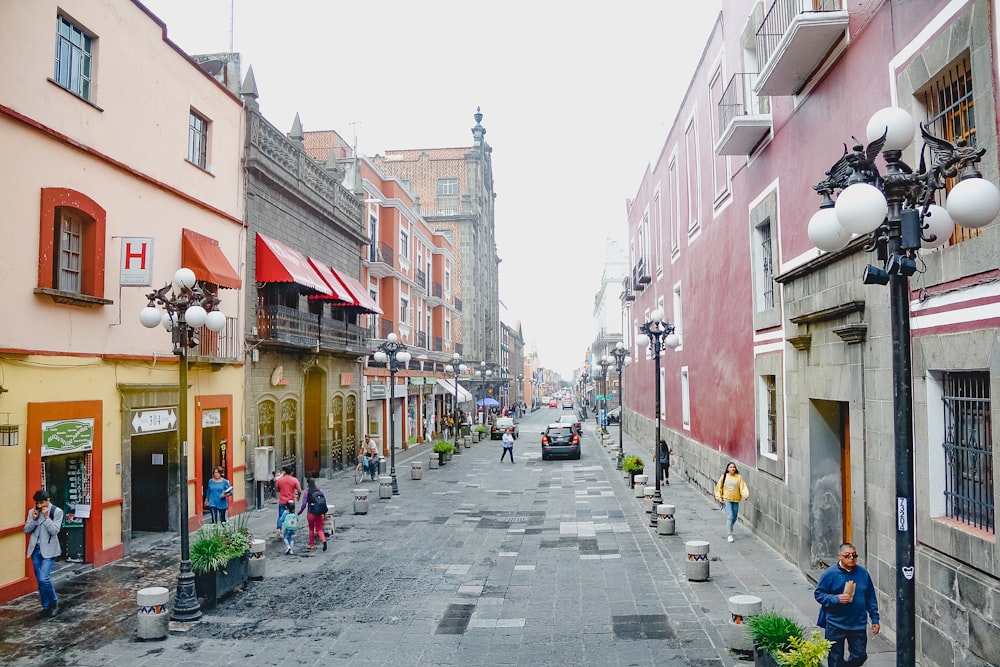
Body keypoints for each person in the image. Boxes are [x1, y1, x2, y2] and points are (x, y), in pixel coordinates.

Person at [814, 543, 880, 667]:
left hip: (857, 623)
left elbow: (870, 596)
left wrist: (875, 618)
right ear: (840, 556)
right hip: (835, 623)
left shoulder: (863, 574)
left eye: (854, 555)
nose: (851, 558)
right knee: (835, 658)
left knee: (860, 656)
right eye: (847, 555)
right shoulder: (830, 574)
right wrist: (836, 598)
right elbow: (819, 594)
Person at [24, 490, 64, 618]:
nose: (40, 506)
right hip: (35, 550)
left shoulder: (56, 512)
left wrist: (47, 518)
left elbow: (55, 531)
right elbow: (26, 530)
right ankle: (45, 606)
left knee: (44, 578)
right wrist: (34, 520)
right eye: (37, 503)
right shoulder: (32, 512)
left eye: (42, 503)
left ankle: (54, 601)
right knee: (39, 580)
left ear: (48, 501)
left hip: (49, 550)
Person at [714, 461, 749, 543]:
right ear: (727, 468)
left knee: (734, 517)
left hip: (736, 500)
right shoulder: (724, 477)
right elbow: (719, 488)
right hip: (726, 500)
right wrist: (719, 498)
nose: (732, 468)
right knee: (730, 516)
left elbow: (742, 487)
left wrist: (745, 494)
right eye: (731, 467)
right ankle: (730, 534)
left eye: (734, 467)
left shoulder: (738, 477)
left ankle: (729, 526)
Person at [298, 478, 328, 552]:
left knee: (311, 529)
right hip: (319, 513)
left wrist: (300, 512)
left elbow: (304, 504)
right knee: (319, 529)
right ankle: (323, 540)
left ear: (308, 484)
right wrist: (324, 513)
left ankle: (311, 545)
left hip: (311, 513)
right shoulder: (320, 491)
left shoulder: (307, 492)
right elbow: (323, 502)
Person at [274, 465, 300, 538]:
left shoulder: (280, 480)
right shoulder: (294, 480)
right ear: (291, 472)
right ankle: (291, 531)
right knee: (292, 516)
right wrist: (298, 496)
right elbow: (299, 490)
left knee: (280, 516)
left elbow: (277, 489)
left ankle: (279, 529)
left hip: (282, 500)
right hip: (291, 501)